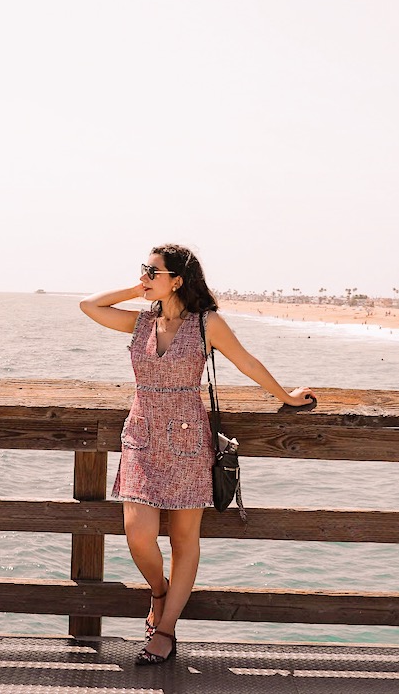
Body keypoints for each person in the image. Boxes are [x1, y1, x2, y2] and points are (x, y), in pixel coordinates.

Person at [79, 244, 316, 666]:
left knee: (185, 540)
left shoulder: (208, 324)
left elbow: (248, 362)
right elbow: (89, 305)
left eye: (152, 271)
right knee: (138, 531)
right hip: (142, 435)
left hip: (188, 438)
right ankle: (159, 590)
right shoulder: (140, 323)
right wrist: (140, 286)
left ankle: (165, 629)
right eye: (144, 270)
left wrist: (287, 397)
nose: (145, 276)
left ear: (177, 280)